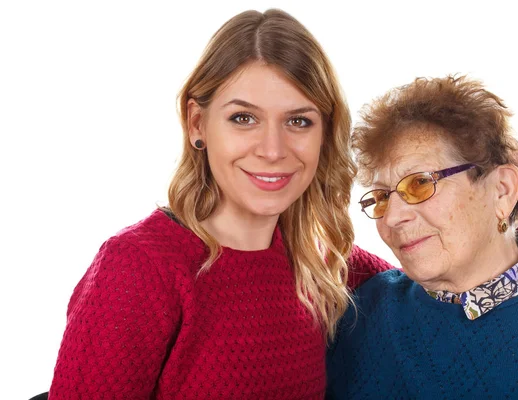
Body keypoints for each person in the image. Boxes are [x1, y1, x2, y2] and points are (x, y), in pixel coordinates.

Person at [48, 9, 391, 399]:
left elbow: (433, 288)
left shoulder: (323, 262)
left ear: (325, 135)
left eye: (298, 121)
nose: (272, 150)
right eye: (244, 118)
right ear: (197, 124)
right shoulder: (137, 269)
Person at [326, 75, 518, 399]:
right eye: (382, 196)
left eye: (420, 184)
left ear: (502, 190)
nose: (392, 217)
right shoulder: (363, 310)